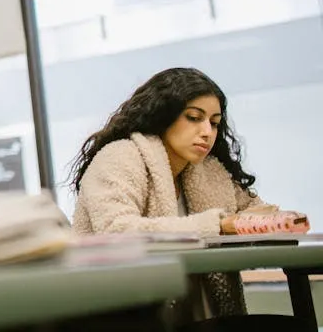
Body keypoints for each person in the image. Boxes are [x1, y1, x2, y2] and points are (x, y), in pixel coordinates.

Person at [69, 68, 302, 329]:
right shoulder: (119, 157)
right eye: (194, 117)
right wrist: (220, 224)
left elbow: (251, 213)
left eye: (214, 123)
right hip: (123, 319)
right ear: (163, 115)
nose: (207, 132)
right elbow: (116, 231)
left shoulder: (209, 170)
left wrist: (274, 219)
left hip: (194, 318)